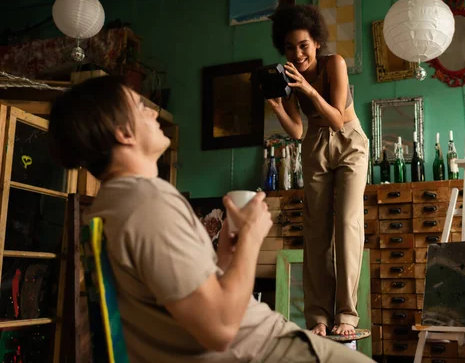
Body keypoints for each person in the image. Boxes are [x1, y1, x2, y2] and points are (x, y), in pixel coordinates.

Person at [47, 76, 374, 363]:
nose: (152, 111)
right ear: (122, 132)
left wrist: (227, 256)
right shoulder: (147, 203)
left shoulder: (113, 203)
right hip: (260, 348)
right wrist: (251, 239)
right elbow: (219, 328)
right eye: (138, 105)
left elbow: (173, 304)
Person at [267, 5, 369, 337]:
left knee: (347, 224)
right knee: (316, 232)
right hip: (313, 146)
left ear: (317, 43)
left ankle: (346, 315)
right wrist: (280, 107)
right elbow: (297, 131)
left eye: (303, 46)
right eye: (290, 48)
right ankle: (319, 317)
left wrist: (308, 89)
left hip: (349, 142)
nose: (297, 54)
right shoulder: (289, 76)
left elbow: (337, 119)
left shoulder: (333, 64)